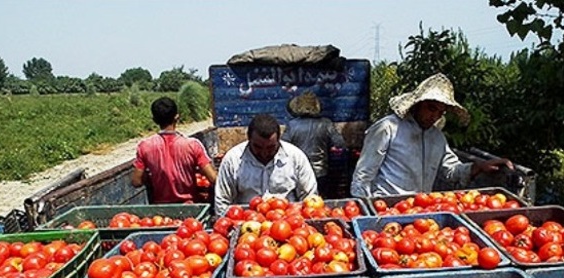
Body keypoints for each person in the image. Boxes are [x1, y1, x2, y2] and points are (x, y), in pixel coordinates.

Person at [350, 73, 513, 198]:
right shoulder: (388, 128)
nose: (434, 116)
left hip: (420, 209)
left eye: (440, 112)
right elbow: (363, 175)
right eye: (431, 108)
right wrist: (366, 211)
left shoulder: (437, 138)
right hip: (387, 208)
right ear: (417, 104)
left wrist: (477, 166)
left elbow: (451, 172)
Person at [213, 114, 318, 216]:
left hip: (288, 224)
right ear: (249, 139)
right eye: (258, 147)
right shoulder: (232, 160)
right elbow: (222, 202)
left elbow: (310, 198)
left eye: (270, 147)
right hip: (246, 224)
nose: (264, 153)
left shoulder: (296, 157)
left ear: (278, 140)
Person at [131, 96, 217, 203]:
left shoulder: (145, 147)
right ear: (177, 117)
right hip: (190, 207)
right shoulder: (192, 145)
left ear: (154, 120)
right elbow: (213, 178)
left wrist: (152, 176)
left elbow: (136, 181)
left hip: (161, 211)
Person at [281, 91, 345, 196]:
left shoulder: (292, 125)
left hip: (298, 173)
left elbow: (283, 147)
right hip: (321, 173)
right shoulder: (326, 124)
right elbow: (340, 143)